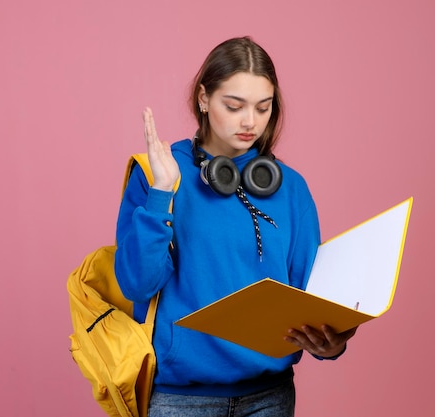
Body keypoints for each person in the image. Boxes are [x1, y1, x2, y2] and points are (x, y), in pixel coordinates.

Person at [114, 36, 358, 417]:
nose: (250, 122)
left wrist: (332, 341)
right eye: (234, 105)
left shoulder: (290, 187)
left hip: (270, 398)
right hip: (182, 400)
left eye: (263, 108)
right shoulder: (160, 174)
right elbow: (137, 284)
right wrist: (162, 193)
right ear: (203, 98)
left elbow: (310, 295)